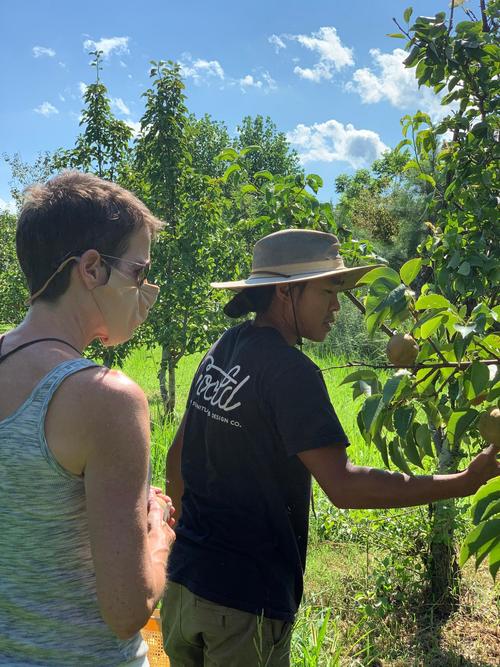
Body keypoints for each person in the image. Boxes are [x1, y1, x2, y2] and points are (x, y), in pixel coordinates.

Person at [161, 228, 500, 667]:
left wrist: (187, 548)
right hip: (243, 603)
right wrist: (463, 481)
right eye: (328, 290)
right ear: (286, 291)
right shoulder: (291, 371)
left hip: (184, 588)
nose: (337, 306)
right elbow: (345, 487)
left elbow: (176, 461)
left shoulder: (225, 347)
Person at [0, 171, 175, 666]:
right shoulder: (107, 398)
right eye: (138, 272)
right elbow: (127, 609)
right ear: (93, 270)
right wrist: (158, 531)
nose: (145, 289)